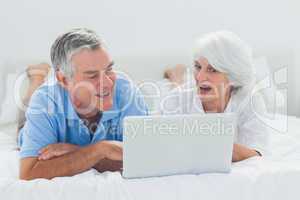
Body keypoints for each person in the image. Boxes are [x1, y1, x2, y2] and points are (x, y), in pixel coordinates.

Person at [18, 28, 148, 180]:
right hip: (31, 121)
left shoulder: (127, 92)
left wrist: (84, 152)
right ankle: (37, 78)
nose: (107, 83)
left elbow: (146, 161)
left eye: (109, 69)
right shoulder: (44, 101)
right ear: (64, 80)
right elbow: (29, 173)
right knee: (24, 117)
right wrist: (102, 149)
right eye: (93, 76)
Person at [163, 31, 269, 162]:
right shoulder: (175, 99)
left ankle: (178, 76)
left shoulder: (250, 100)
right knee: (180, 89)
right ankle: (176, 76)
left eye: (212, 69)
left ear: (232, 76)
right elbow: (164, 148)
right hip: (182, 93)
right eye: (197, 66)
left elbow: (258, 154)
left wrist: (206, 143)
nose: (200, 76)